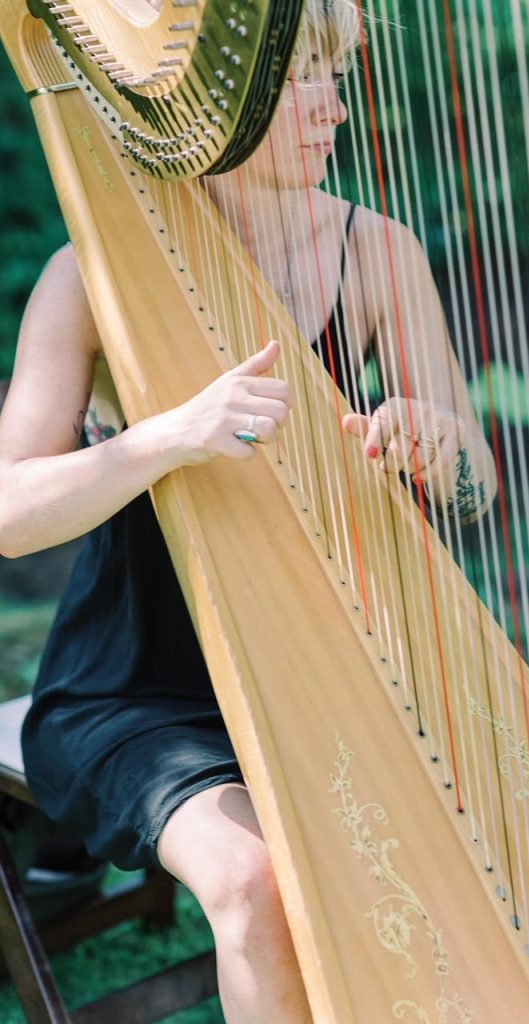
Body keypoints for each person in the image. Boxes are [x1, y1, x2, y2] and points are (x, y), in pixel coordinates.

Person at [0, 2, 496, 1021]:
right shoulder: (90, 278)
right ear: (219, 106)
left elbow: (476, 488)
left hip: (343, 668)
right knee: (256, 882)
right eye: (303, 79)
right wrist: (167, 436)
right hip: (135, 695)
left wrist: (439, 447)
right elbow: (9, 514)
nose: (335, 109)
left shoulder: (375, 255)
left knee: (456, 854)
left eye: (337, 78)